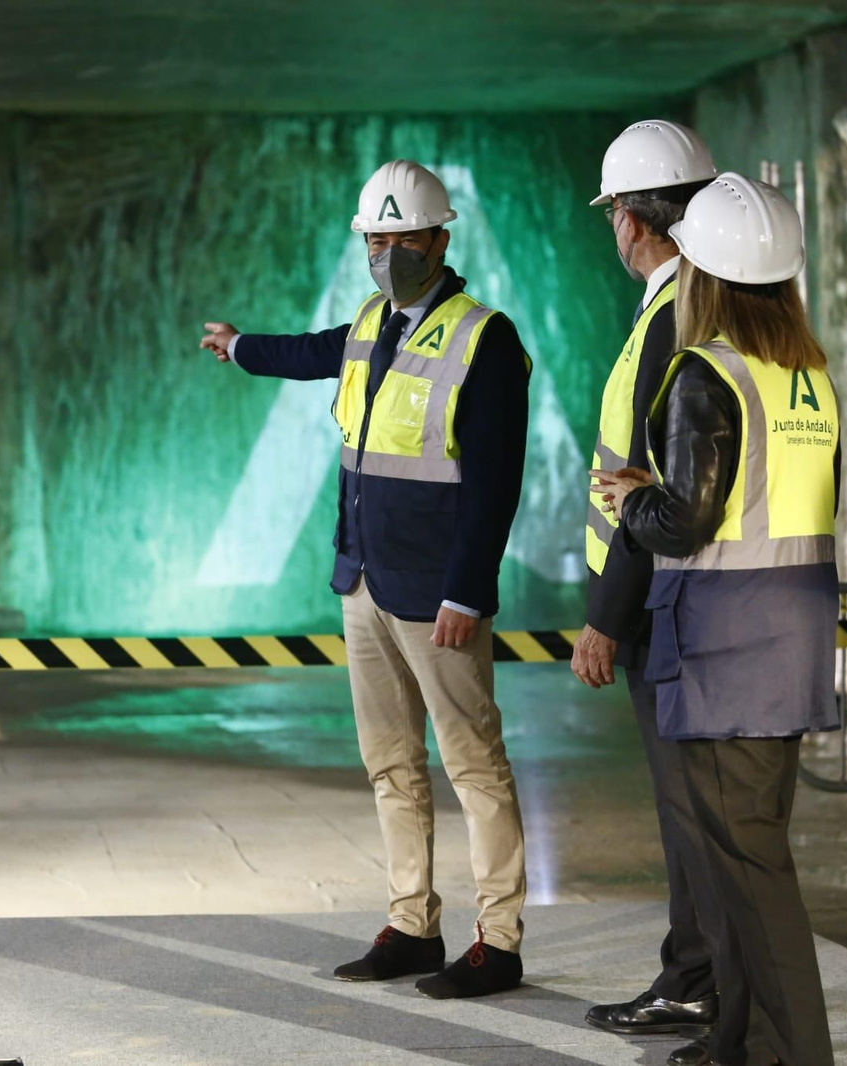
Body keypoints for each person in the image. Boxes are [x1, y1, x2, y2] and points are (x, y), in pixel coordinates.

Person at [200, 160, 532, 999]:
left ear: (440, 238)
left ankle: (499, 939)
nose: (386, 254)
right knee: (392, 766)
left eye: (401, 238)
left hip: (436, 596)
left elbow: (495, 481)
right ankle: (413, 925)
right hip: (366, 583)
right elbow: (313, 354)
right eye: (374, 240)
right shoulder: (368, 324)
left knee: (474, 766)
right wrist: (242, 348)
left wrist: (468, 591)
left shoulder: (482, 337)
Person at [594, 172, 841, 1066]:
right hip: (794, 644)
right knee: (746, 862)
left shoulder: (707, 374)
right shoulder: (804, 377)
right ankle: (741, 1041)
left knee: (751, 871)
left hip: (728, 647)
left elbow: (688, 519)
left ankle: (790, 1054)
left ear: (703, 270)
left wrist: (632, 500)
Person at [574, 120, 723, 1043]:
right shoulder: (704, 305)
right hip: (686, 602)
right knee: (692, 814)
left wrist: (602, 619)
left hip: (664, 607)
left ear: (632, 219)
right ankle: (696, 976)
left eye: (614, 216)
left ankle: (695, 982)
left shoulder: (672, 317)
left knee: (688, 813)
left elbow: (646, 486)